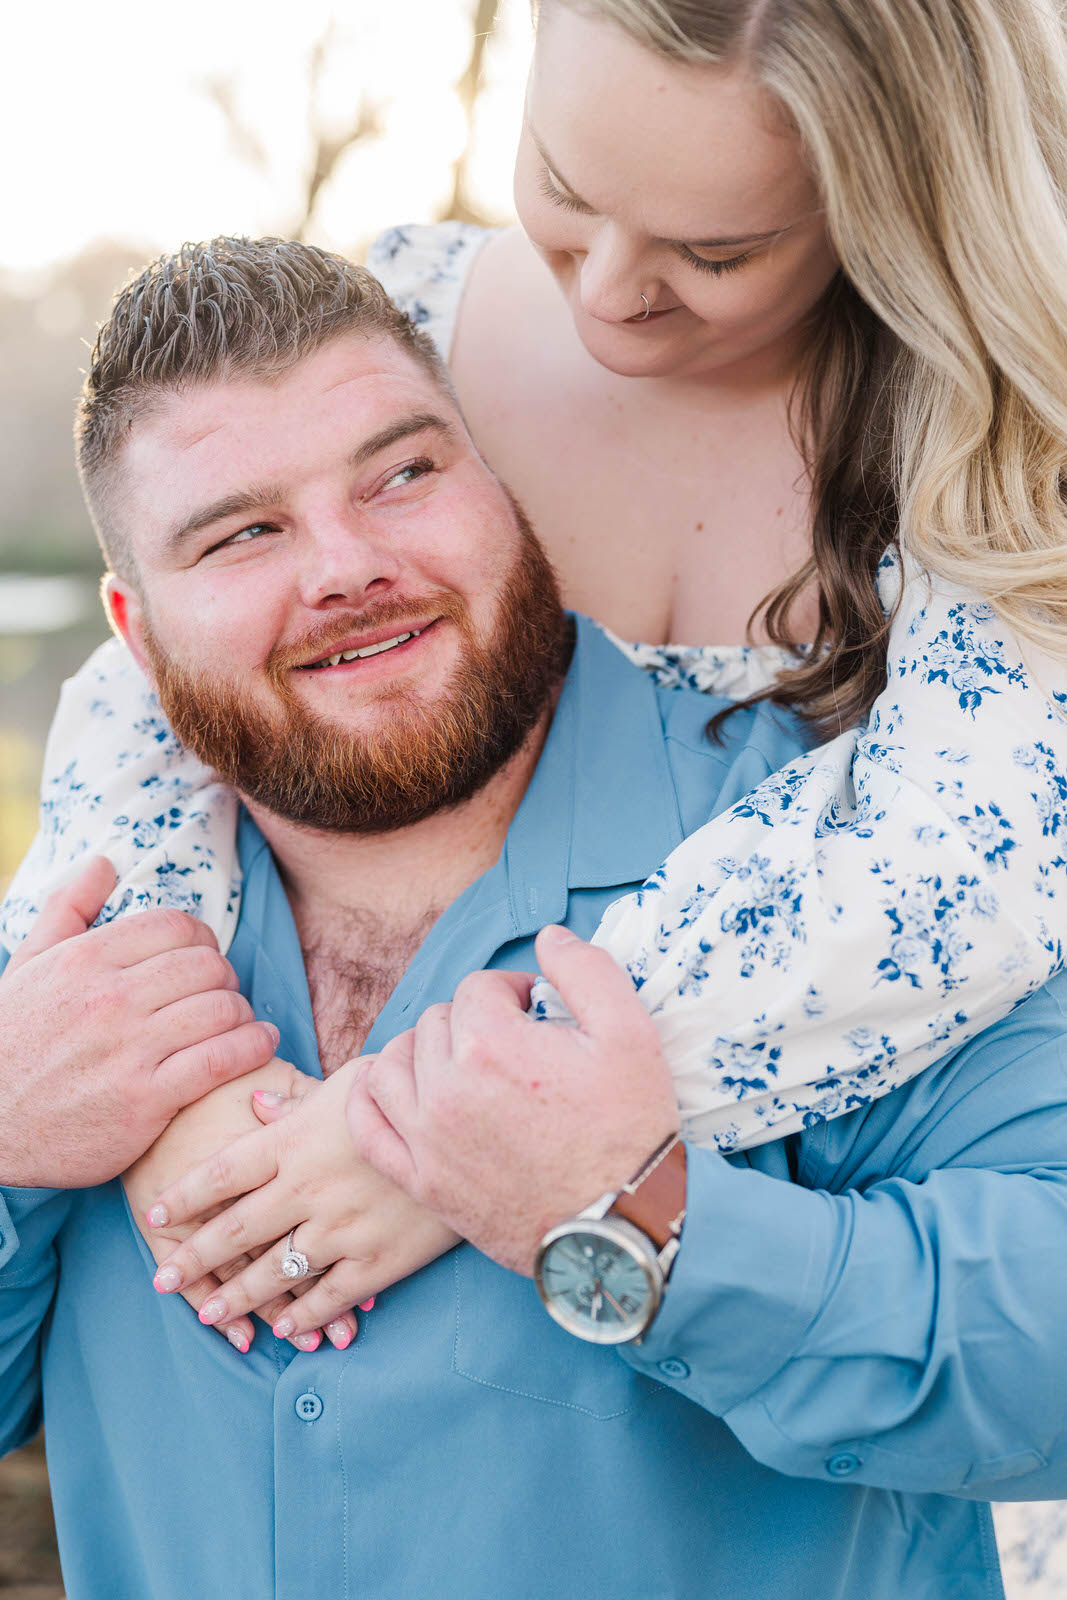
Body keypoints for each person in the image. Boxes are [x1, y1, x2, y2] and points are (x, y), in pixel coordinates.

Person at [3, 0, 1067, 1576]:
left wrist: (635, 1215)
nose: (613, 305)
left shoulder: (870, 873)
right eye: (564, 191)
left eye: (402, 474)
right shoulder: (100, 942)